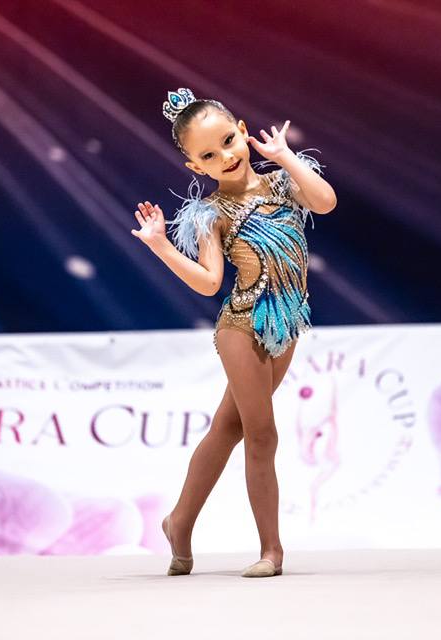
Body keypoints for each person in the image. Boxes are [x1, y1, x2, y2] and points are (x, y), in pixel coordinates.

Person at [131, 88, 337, 577]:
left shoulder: (284, 183)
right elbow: (209, 283)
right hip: (241, 326)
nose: (224, 156)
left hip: (285, 323)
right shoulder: (212, 214)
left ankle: (178, 522)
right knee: (262, 434)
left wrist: (285, 157)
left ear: (243, 131)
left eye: (227, 140)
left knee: (228, 429)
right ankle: (272, 550)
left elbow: (325, 203)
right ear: (194, 167)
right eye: (208, 155)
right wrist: (162, 246)